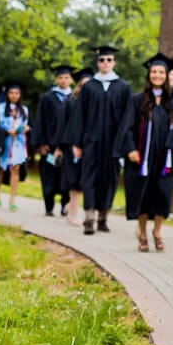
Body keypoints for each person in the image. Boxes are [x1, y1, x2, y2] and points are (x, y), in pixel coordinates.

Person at [115, 54, 173, 252]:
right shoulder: (137, 100)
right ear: (149, 75)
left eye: (161, 72)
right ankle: (141, 232)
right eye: (154, 72)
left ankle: (157, 231)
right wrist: (131, 149)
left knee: (163, 195)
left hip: (165, 159)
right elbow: (127, 127)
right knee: (142, 195)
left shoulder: (172, 102)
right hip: (142, 158)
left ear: (166, 75)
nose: (157, 75)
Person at [70, 46, 131, 235]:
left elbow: (127, 119)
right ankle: (89, 218)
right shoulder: (89, 86)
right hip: (91, 141)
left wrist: (123, 144)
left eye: (109, 60)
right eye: (102, 60)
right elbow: (79, 116)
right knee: (89, 178)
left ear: (114, 62)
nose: (105, 63)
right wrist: (77, 142)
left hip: (114, 143)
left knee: (110, 179)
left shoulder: (123, 87)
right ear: (97, 62)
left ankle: (103, 217)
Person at [30, 65, 75, 217]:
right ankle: (48, 206)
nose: (63, 80)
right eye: (61, 77)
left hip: (66, 146)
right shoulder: (47, 98)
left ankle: (65, 205)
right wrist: (41, 143)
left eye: (66, 77)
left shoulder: (74, 98)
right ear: (56, 79)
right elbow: (40, 121)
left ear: (71, 79)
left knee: (66, 176)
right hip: (49, 146)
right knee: (48, 177)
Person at [56, 69, 93, 227]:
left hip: (90, 146)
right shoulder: (71, 103)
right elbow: (62, 126)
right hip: (72, 146)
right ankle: (73, 211)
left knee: (87, 180)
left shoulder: (96, 105)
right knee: (75, 180)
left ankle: (81, 211)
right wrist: (59, 147)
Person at [0, 82, 29, 211]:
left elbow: (28, 124)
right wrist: (5, 131)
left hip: (18, 143)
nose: (14, 95)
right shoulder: (0, 108)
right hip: (4, 143)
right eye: (11, 93)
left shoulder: (24, 110)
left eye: (16, 93)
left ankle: (12, 199)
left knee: (15, 169)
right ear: (7, 94)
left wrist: (26, 128)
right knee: (1, 169)